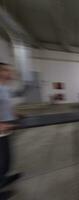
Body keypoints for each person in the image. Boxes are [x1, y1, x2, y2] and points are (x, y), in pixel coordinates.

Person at [0, 63, 22, 200]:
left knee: (6, 159)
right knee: (0, 161)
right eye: (7, 71)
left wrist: (16, 114)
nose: (10, 73)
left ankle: (3, 179)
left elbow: (6, 106)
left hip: (7, 129)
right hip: (1, 129)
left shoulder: (5, 88)